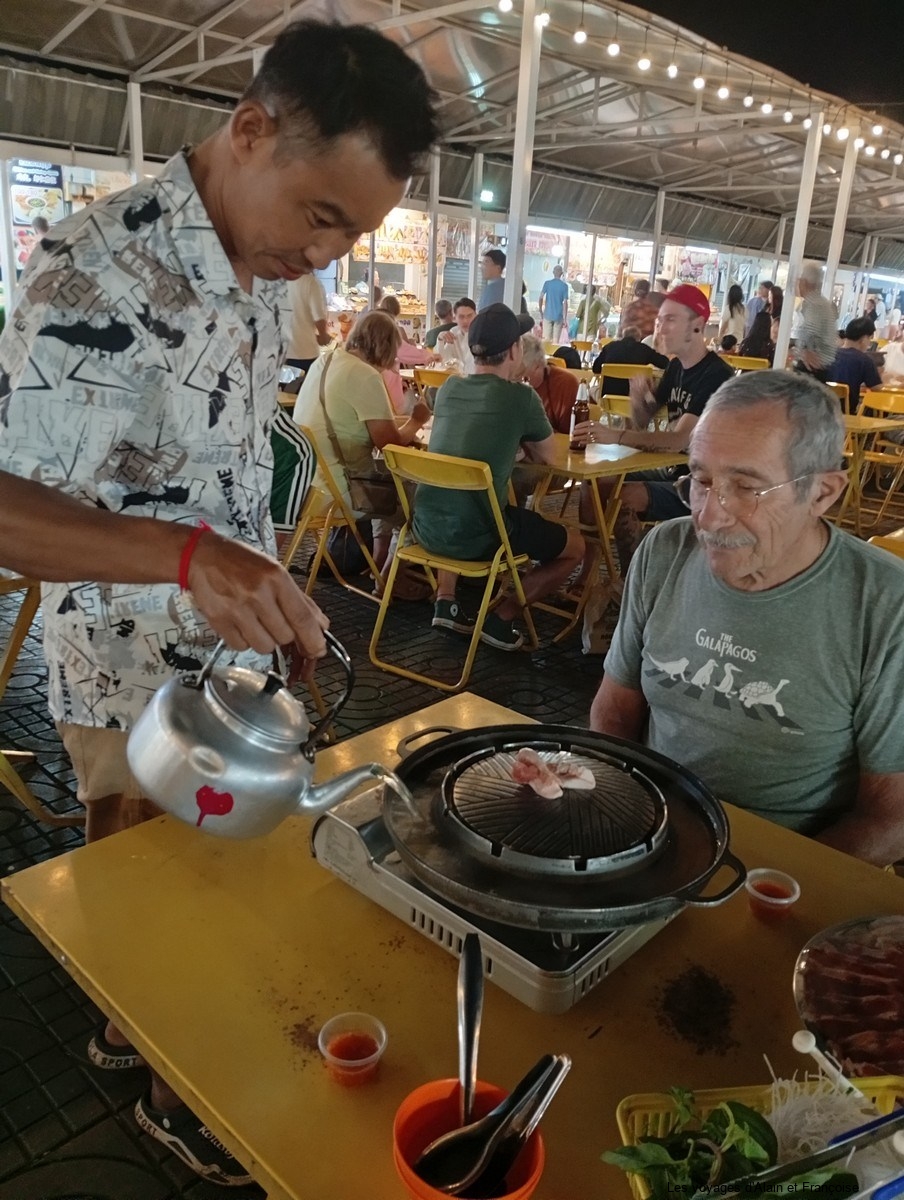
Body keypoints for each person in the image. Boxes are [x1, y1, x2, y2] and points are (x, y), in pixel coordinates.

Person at [0, 17, 438, 1186]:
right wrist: (193, 560)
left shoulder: (251, 265)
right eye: (321, 215)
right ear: (250, 129)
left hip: (223, 652)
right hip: (129, 668)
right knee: (167, 895)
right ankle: (174, 1099)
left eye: (352, 235)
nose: (325, 254)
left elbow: (214, 466)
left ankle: (123, 1025)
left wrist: (261, 578)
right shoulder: (99, 268)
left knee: (190, 885)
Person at [590, 370, 904, 866]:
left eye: (746, 487)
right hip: (650, 836)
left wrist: (763, 886)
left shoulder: (885, 605)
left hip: (782, 867)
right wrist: (617, 817)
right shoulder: (665, 550)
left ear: (822, 493)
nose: (709, 516)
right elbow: (614, 711)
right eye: (701, 480)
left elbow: (891, 817)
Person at [413, 304, 584, 650]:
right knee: (576, 547)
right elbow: (550, 458)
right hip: (483, 536)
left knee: (457, 496)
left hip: (424, 527)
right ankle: (502, 618)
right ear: (515, 350)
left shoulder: (448, 389)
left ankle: (446, 600)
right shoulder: (522, 397)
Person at [576, 284, 734, 575]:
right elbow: (643, 420)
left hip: (706, 483)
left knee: (626, 497)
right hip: (673, 468)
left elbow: (677, 441)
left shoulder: (716, 376)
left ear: (698, 326)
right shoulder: (676, 368)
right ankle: (588, 572)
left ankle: (632, 582)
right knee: (596, 481)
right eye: (660, 320)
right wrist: (640, 399)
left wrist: (617, 436)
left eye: (670, 319)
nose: (660, 328)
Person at [293, 311, 430, 587]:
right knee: (425, 501)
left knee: (388, 480)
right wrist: (417, 421)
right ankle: (391, 577)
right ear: (386, 346)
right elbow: (390, 445)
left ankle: (378, 561)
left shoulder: (325, 360)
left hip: (305, 484)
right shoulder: (365, 376)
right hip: (342, 492)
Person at [790, 262, 838, 383]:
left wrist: (805, 350)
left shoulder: (814, 304)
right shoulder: (820, 303)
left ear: (804, 282)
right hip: (817, 365)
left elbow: (810, 330)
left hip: (813, 366)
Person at [521, 333, 577, 433]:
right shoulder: (505, 382)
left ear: (539, 366)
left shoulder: (566, 384)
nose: (515, 381)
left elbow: (568, 436)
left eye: (523, 377)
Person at [591, 325, 668, 396]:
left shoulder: (610, 347)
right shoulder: (644, 349)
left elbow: (595, 369)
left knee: (592, 390)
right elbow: (665, 363)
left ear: (623, 336)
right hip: (635, 400)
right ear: (638, 338)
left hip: (608, 397)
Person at [828, 317, 883, 412]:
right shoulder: (864, 360)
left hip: (822, 410)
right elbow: (877, 388)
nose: (869, 344)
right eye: (870, 339)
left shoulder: (829, 354)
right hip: (846, 413)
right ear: (864, 339)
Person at [286, 271, 331, 377]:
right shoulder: (310, 282)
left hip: (280, 353)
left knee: (284, 386)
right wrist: (323, 336)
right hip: (304, 353)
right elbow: (318, 317)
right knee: (305, 386)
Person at [439, 296, 477, 374]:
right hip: (458, 377)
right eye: (461, 317)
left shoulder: (483, 334)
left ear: (476, 316)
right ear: (454, 318)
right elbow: (444, 360)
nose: (465, 321)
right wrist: (440, 339)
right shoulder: (453, 332)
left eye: (469, 316)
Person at [538, 265, 570, 341]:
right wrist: (565, 318)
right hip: (558, 316)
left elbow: (541, 297)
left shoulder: (547, 284)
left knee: (546, 340)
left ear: (553, 272)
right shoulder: (564, 286)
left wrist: (540, 310)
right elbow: (565, 303)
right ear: (561, 273)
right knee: (555, 341)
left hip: (547, 314)